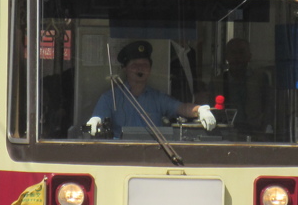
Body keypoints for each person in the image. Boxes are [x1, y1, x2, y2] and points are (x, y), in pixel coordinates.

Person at [87, 40, 216, 137]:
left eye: (144, 64)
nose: (140, 68)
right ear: (125, 69)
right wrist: (96, 120)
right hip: (121, 155)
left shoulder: (157, 98)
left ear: (150, 69)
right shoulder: (110, 98)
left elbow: (182, 108)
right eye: (135, 65)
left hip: (153, 155)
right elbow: (99, 119)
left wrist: (201, 110)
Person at [219, 38, 271, 132]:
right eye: (233, 52)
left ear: (249, 56)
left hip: (256, 132)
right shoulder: (218, 82)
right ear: (227, 57)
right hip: (227, 132)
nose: (237, 57)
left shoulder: (260, 78)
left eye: (241, 52)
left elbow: (269, 108)